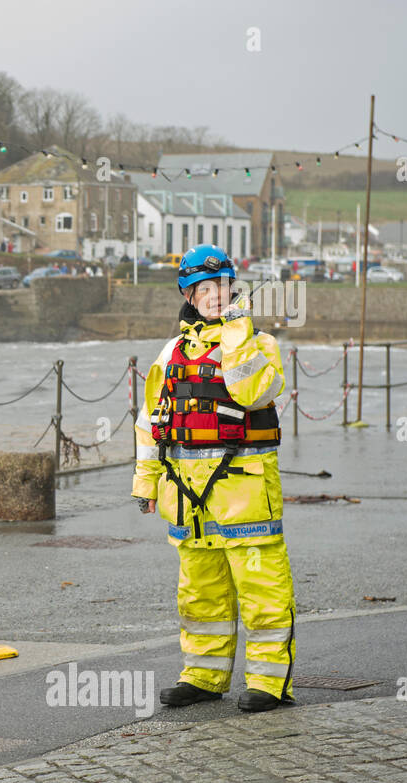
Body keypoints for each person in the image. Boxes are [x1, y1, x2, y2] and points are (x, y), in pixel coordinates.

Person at [132, 243, 296, 713]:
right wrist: (145, 484)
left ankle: (269, 683)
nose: (216, 296)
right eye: (206, 289)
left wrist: (236, 331)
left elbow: (252, 391)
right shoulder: (172, 352)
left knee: (262, 588)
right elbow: (151, 422)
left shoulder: (259, 343)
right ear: (189, 294)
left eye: (224, 286)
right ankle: (203, 677)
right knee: (200, 592)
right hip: (187, 493)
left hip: (243, 487)